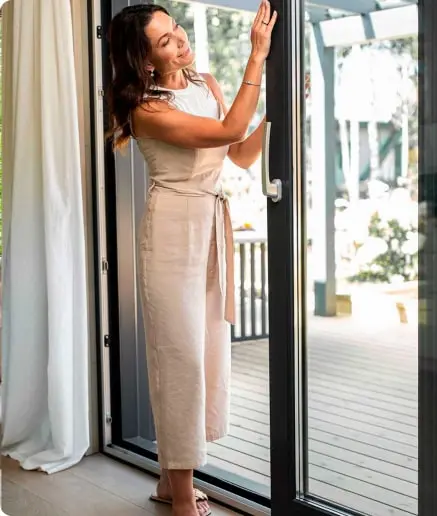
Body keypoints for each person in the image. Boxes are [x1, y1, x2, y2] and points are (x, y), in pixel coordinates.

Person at [106, 3, 277, 516]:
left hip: (209, 224)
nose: (180, 40)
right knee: (178, 357)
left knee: (204, 351)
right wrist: (257, 57)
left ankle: (167, 480)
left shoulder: (206, 84)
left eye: (176, 28)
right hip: (172, 230)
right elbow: (225, 133)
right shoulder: (146, 110)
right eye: (164, 41)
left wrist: (277, 110)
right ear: (145, 60)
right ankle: (181, 495)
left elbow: (239, 153)